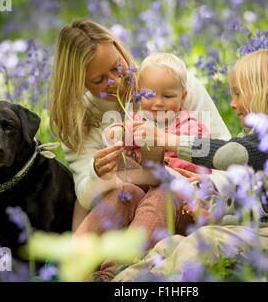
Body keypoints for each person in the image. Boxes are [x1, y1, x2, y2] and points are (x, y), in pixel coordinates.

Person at [48, 18, 232, 280]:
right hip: (124, 213)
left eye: (117, 67)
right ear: (79, 84)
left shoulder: (169, 83)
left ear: (120, 50)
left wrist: (207, 180)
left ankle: (116, 273)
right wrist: (96, 172)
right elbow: (85, 195)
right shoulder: (79, 117)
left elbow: (227, 154)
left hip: (182, 203)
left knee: (163, 191)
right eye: (99, 79)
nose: (115, 81)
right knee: (127, 190)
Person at [115, 48, 268, 281]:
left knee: (200, 243)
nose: (232, 103)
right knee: (171, 245)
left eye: (239, 94)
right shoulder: (257, 136)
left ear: (267, 91)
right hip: (246, 229)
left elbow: (228, 153)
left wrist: (164, 139)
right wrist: (210, 202)